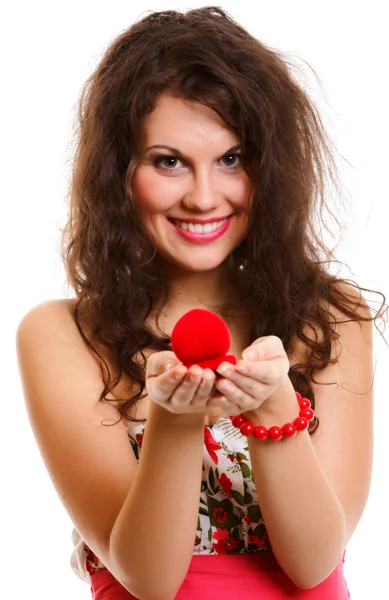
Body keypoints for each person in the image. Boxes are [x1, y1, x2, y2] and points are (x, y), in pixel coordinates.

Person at [16, 6, 387, 600]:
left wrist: (273, 409)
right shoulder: (64, 335)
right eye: (169, 162)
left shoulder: (333, 318)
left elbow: (315, 565)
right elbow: (150, 579)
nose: (204, 196)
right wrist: (174, 419)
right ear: (120, 173)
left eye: (232, 159)